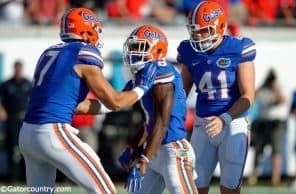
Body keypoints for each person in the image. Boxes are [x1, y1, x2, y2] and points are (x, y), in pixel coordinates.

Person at [18, 8, 156, 194]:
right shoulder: (84, 52)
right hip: (52, 133)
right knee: (105, 190)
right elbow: (115, 101)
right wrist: (141, 89)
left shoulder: (49, 52)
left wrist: (117, 102)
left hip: (27, 134)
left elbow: (78, 106)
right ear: (86, 31)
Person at [176, 1, 256, 194]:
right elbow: (181, 92)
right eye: (194, 30)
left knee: (229, 188)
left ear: (219, 27)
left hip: (232, 124)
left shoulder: (238, 48)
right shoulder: (189, 50)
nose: (197, 35)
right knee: (194, 188)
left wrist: (224, 118)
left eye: (203, 31)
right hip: (202, 124)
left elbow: (248, 96)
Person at [117, 24, 198, 194]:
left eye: (140, 47)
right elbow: (150, 122)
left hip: (173, 149)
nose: (134, 52)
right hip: (154, 150)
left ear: (157, 50)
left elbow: (162, 123)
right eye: (133, 47)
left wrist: (143, 159)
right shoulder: (142, 75)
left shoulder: (161, 72)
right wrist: (132, 147)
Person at [250, 69, 286, 186]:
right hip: (263, 122)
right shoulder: (263, 88)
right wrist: (263, 83)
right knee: (257, 150)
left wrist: (275, 86)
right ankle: (253, 175)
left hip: (276, 123)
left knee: (276, 151)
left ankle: (275, 178)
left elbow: (282, 100)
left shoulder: (278, 87)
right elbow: (253, 94)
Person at [0, 60, 31, 182]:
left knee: (26, 148)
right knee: (12, 148)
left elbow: (33, 99)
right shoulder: (7, 84)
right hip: (11, 120)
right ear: (14, 69)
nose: (18, 71)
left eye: (20, 69)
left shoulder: (28, 84)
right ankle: (13, 177)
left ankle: (25, 177)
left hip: (25, 119)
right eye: (16, 69)